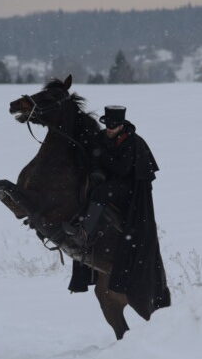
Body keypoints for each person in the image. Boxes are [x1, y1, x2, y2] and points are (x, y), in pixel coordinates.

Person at [65, 105, 170, 318]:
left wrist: (101, 156)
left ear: (122, 125)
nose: (110, 130)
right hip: (111, 181)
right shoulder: (104, 136)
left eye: (114, 126)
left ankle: (84, 231)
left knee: (101, 193)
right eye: (108, 126)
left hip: (129, 188)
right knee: (87, 189)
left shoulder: (133, 142)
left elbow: (122, 169)